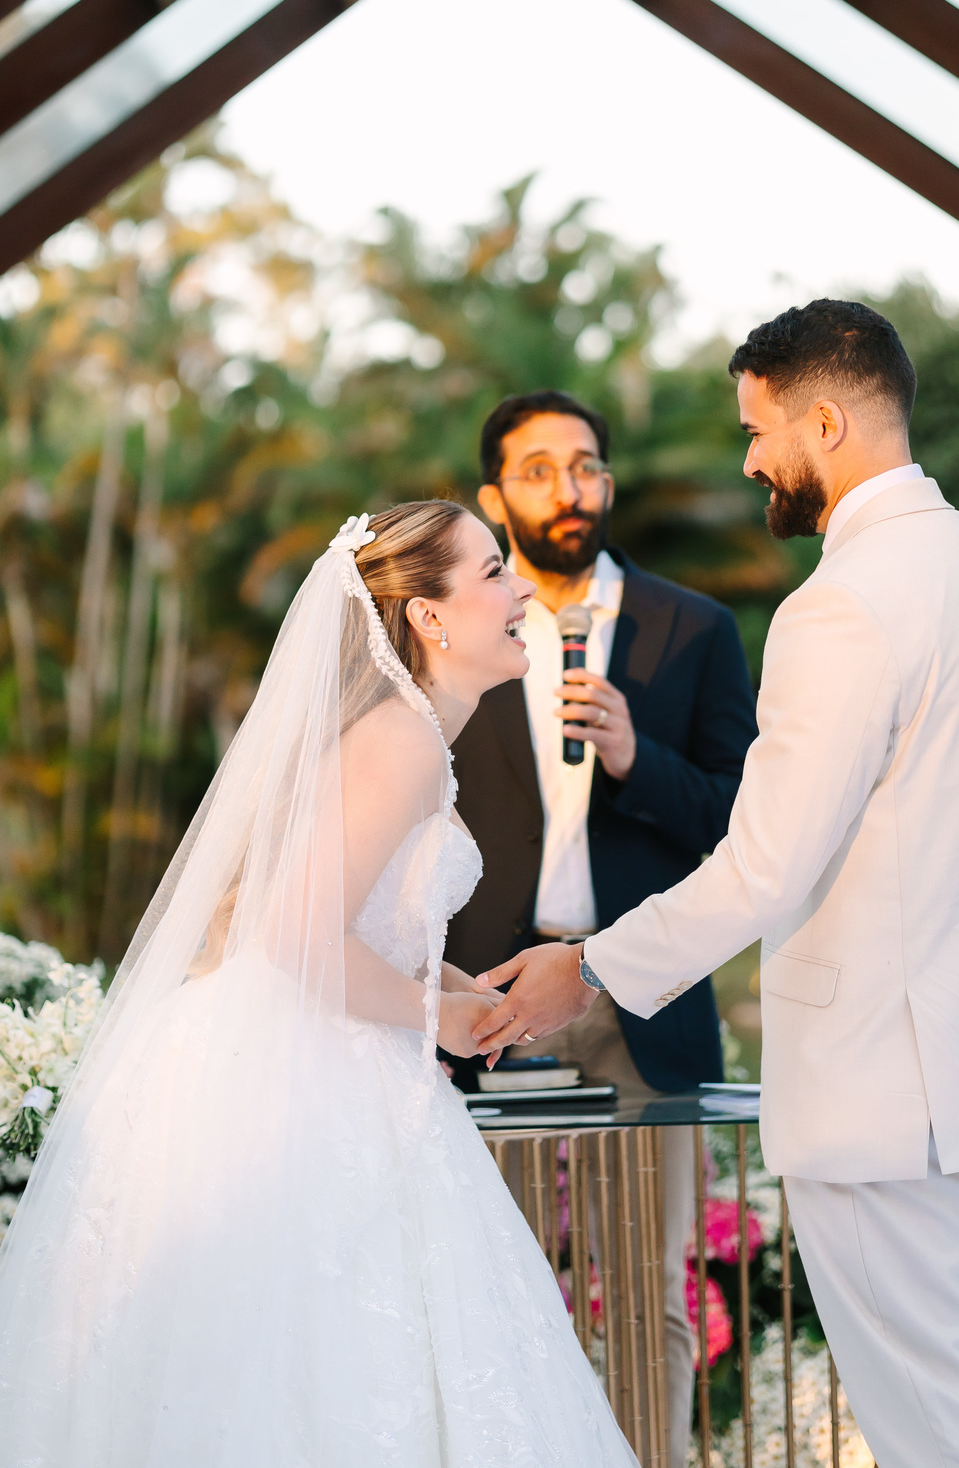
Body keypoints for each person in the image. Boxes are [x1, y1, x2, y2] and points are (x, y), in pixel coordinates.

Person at [472, 301, 959, 1468]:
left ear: (828, 419)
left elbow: (764, 862)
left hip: (883, 1089)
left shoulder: (840, 604)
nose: (749, 460)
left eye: (760, 432)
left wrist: (590, 967)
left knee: (930, 1420)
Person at [0, 502, 638, 1468]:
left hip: (305, 1053)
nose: (519, 594)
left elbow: (357, 922)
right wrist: (442, 1019)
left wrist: (464, 989)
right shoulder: (405, 740)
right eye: (494, 572)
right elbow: (296, 936)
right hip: (296, 1088)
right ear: (429, 617)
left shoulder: (407, 731)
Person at [445, 388, 757, 1468]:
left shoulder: (694, 630)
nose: (568, 488)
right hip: (493, 1005)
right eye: (538, 469)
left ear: (608, 482)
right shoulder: (456, 635)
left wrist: (641, 761)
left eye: (586, 466)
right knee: (500, 1291)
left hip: (638, 1001)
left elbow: (744, 823)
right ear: (494, 497)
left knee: (648, 1298)